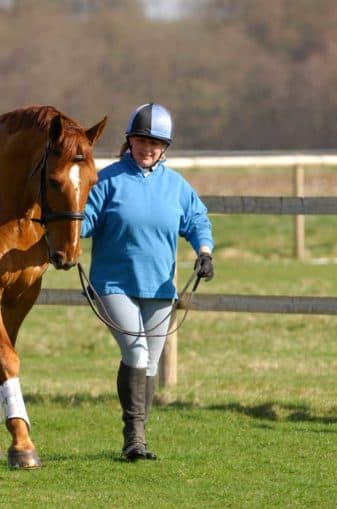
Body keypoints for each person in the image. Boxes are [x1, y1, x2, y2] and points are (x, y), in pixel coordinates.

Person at [80, 103, 214, 461]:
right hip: (112, 284)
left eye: (155, 143)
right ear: (130, 140)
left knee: (150, 364)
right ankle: (133, 437)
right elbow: (85, 221)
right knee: (136, 350)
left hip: (158, 288)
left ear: (165, 148)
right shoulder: (106, 180)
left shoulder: (176, 186)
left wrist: (204, 251)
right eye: (141, 141)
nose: (148, 148)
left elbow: (198, 220)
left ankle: (138, 439)